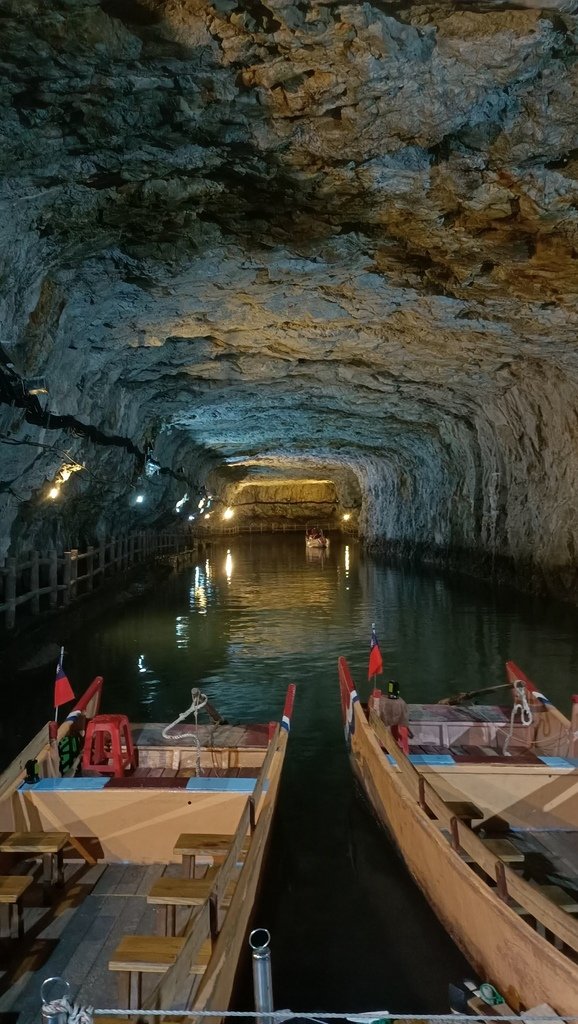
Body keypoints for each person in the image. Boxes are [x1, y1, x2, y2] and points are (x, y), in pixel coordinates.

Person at [378, 679, 410, 754]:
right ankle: (404, 748)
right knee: (402, 727)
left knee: (402, 727)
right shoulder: (400, 704)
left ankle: (405, 749)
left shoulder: (398, 704)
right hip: (398, 725)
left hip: (398, 726)